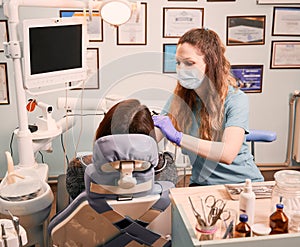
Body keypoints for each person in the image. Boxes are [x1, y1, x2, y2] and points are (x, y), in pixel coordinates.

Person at [153, 28, 264, 186]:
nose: (181, 70)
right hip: (202, 183)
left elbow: (228, 153)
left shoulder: (235, 100)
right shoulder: (180, 99)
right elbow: (153, 135)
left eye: (189, 63)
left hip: (242, 184)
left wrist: (179, 137)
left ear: (211, 63)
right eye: (178, 63)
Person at [66, 99, 176, 199]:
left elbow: (75, 195)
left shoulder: (79, 170)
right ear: (150, 139)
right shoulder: (165, 169)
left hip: (97, 219)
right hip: (149, 220)